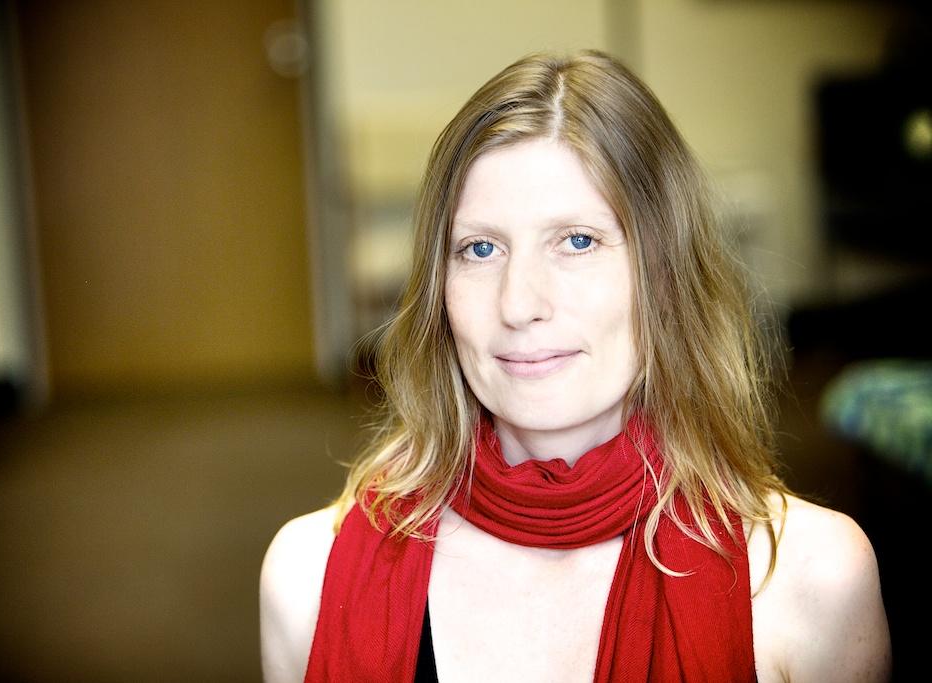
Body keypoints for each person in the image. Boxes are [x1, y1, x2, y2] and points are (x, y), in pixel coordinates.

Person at [260, 50, 890, 682]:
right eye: (480, 249)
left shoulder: (810, 583)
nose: (519, 303)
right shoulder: (308, 577)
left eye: (577, 241)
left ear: (664, 275)